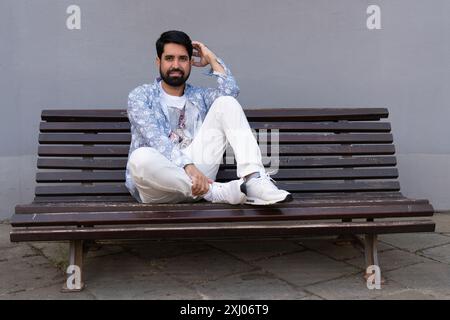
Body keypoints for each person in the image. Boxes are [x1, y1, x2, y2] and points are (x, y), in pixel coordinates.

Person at [126, 30, 292, 205]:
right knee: (140, 158)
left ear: (191, 62)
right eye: (169, 58)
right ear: (158, 61)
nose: (176, 65)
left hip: (200, 176)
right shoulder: (141, 96)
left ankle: (254, 180)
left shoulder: (200, 96)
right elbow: (156, 139)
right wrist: (188, 167)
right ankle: (215, 191)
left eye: (182, 59)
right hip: (159, 187)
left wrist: (212, 59)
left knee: (226, 102)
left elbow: (230, 92)